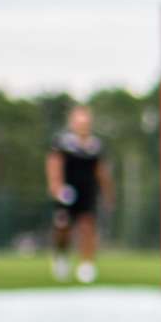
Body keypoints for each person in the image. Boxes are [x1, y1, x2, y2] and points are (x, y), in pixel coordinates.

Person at [46, 104, 111, 284]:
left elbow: (101, 171)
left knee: (87, 226)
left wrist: (107, 193)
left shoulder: (96, 146)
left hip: (88, 191)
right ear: (72, 122)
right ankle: (61, 257)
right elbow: (54, 164)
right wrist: (56, 187)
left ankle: (86, 266)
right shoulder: (62, 142)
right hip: (67, 192)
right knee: (63, 227)